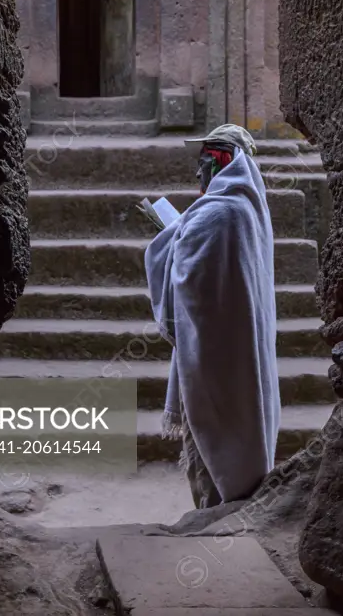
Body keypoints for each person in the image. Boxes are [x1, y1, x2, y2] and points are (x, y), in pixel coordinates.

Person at [144, 123, 280, 509]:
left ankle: (214, 517)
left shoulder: (217, 213)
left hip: (212, 354)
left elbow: (189, 283)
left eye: (203, 163)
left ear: (223, 162)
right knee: (238, 425)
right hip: (237, 346)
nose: (196, 173)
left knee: (210, 442)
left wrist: (171, 238)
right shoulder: (247, 208)